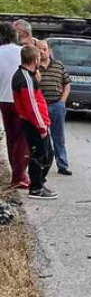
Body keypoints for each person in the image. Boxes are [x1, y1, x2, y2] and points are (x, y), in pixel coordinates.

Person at [12, 44, 56, 199]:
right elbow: (31, 106)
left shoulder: (30, 75)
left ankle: (39, 183)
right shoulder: (25, 79)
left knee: (48, 154)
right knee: (38, 155)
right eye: (38, 57)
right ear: (34, 59)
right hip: (34, 123)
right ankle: (36, 188)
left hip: (39, 122)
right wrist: (42, 127)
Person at [0, 22, 30, 189]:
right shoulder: (21, 52)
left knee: (11, 138)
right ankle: (19, 177)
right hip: (20, 100)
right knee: (22, 139)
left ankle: (17, 173)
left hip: (3, 101)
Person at [36, 40, 72, 176]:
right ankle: (42, 164)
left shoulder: (58, 65)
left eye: (44, 49)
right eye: (39, 49)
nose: (42, 52)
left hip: (56, 105)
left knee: (58, 136)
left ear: (49, 50)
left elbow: (67, 84)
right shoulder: (34, 67)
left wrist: (62, 102)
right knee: (42, 136)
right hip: (41, 107)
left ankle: (62, 165)